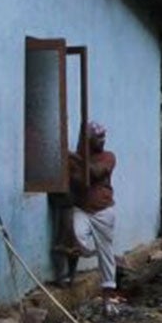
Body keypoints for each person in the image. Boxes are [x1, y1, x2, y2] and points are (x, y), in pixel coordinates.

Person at [67, 120, 120, 302]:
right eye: (98, 138)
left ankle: (108, 295)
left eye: (103, 137)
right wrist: (74, 160)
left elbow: (96, 173)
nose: (103, 140)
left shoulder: (108, 157)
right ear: (88, 140)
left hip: (103, 211)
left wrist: (75, 159)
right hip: (82, 209)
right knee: (76, 237)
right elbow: (75, 180)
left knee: (105, 251)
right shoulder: (77, 159)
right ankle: (70, 275)